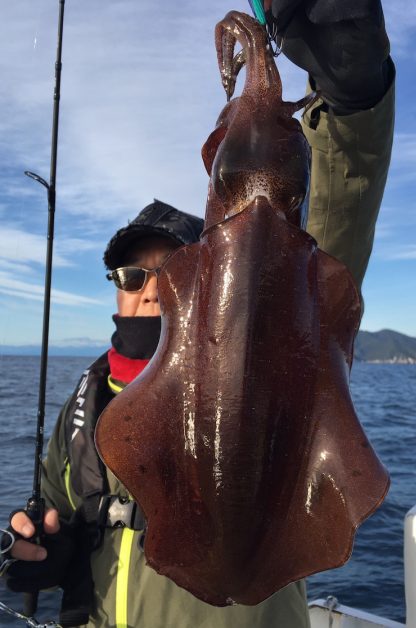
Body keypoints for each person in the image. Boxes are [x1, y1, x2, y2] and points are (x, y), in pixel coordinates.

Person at [1, 0, 395, 626]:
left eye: (172, 270)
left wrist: (353, 103)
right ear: (115, 288)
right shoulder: (86, 410)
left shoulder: (280, 339)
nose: (151, 287)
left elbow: (333, 225)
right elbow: (59, 513)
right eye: (133, 274)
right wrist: (45, 553)